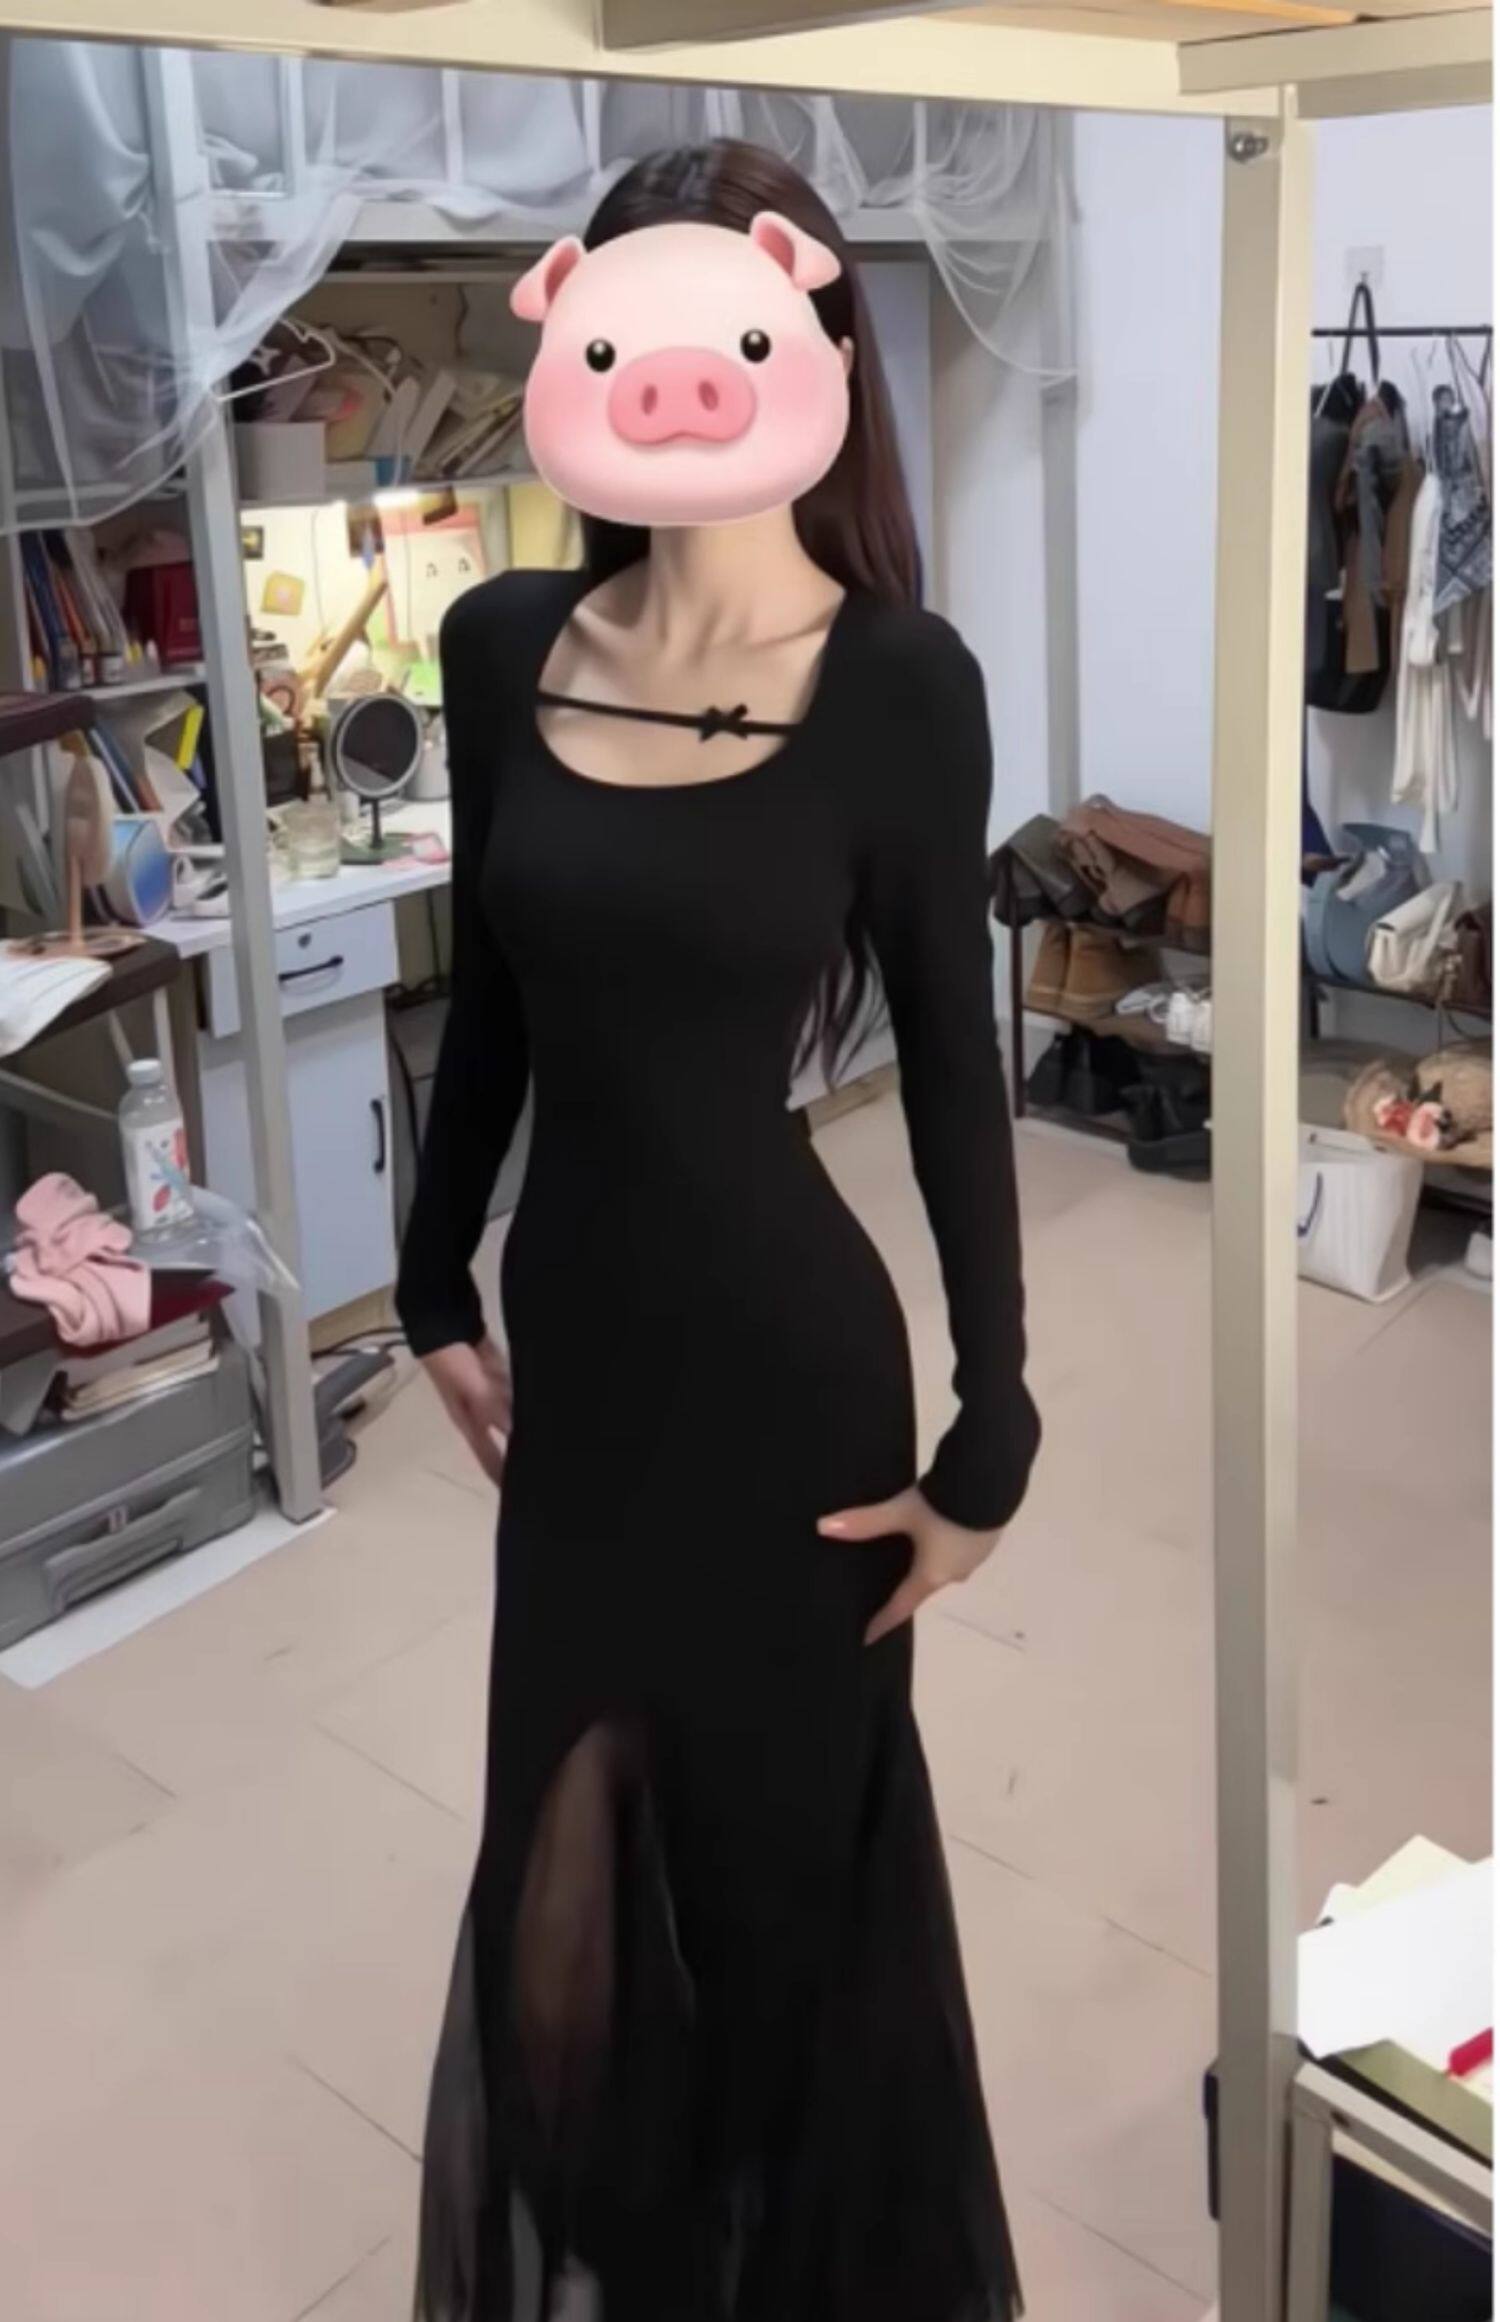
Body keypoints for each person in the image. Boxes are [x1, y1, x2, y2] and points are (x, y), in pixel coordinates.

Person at [397, 136, 1041, 2322]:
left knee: (782, 1923)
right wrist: (426, 1278)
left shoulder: (901, 684)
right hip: (584, 1383)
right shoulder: (501, 643)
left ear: (805, 334)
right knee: (559, 1904)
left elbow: (949, 1065)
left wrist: (996, 1429)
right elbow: (493, 996)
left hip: (792, 1397)